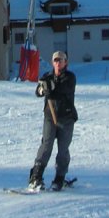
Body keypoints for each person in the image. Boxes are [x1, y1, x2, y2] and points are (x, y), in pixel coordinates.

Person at [28, 51, 77, 191]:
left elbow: (64, 88)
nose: (58, 63)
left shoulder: (70, 77)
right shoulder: (47, 76)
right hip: (50, 117)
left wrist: (51, 89)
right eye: (55, 60)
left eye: (60, 60)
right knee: (46, 146)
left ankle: (59, 177)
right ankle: (36, 176)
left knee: (63, 149)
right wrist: (43, 90)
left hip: (66, 118)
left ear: (65, 62)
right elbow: (38, 91)